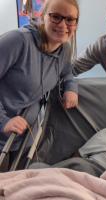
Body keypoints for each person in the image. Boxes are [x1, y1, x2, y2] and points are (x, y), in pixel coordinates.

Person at [0, 0, 79, 171]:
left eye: (70, 19)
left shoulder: (64, 49)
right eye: (56, 17)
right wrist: (3, 121)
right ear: (43, 17)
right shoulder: (18, 41)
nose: (63, 25)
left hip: (23, 135)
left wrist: (71, 88)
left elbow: (66, 72)